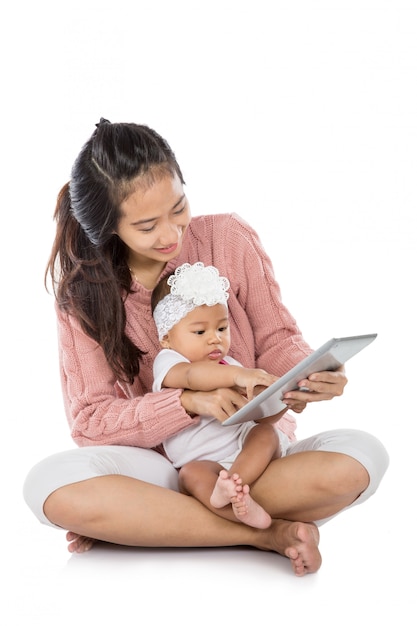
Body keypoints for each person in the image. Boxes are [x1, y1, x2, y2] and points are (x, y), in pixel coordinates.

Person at [22, 118, 389, 577]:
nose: (172, 234)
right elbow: (91, 421)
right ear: (109, 227)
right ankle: (265, 532)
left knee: (363, 458)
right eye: (147, 225)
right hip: (165, 466)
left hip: (248, 458)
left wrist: (307, 373)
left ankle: (158, 521)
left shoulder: (227, 238)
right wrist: (189, 403)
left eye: (179, 207)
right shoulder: (82, 297)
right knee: (48, 486)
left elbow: (277, 339)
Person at [151, 261, 284, 529]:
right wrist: (239, 376)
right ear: (166, 337)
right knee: (190, 475)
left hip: (240, 448)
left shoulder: (230, 365)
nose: (215, 339)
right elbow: (192, 377)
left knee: (266, 434)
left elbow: (261, 416)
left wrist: (282, 400)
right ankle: (232, 498)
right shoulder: (170, 362)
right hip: (200, 462)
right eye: (200, 332)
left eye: (222, 329)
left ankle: (234, 486)